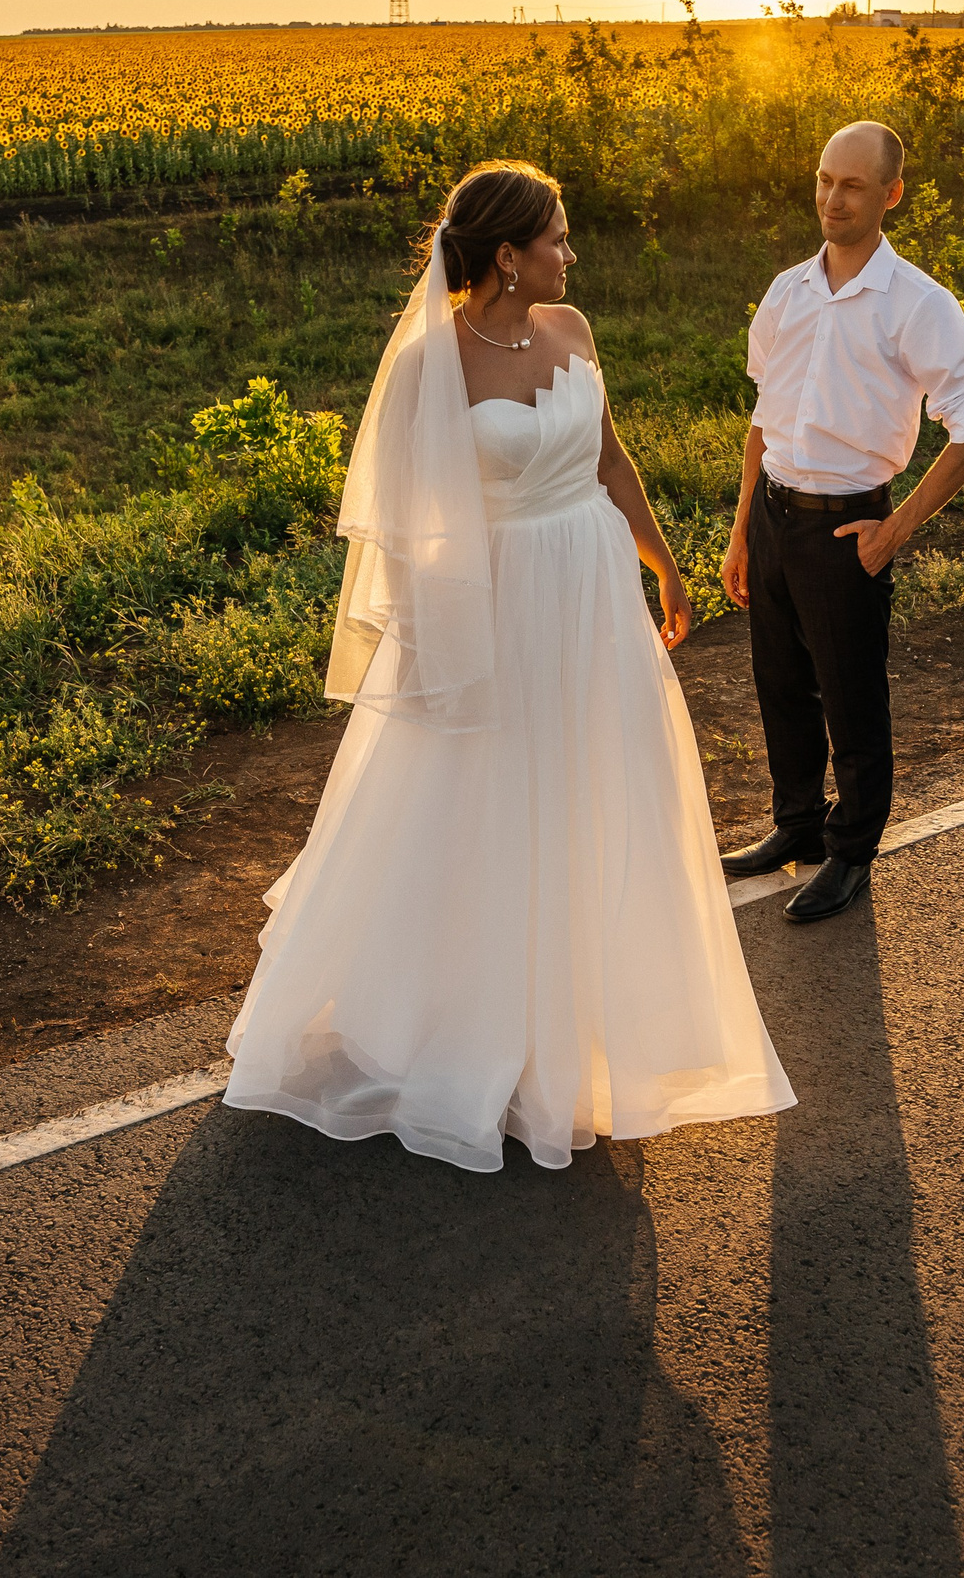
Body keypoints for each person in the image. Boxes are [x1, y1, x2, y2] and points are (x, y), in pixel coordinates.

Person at [224, 161, 796, 1172]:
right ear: (505, 255)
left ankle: (571, 1022)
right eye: (557, 240)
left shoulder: (570, 330)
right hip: (497, 606)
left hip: (587, 590)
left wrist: (660, 563)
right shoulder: (429, 363)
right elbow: (404, 521)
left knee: (588, 791)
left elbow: (609, 459)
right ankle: (452, 1023)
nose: (570, 256)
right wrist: (432, 642)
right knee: (478, 800)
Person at [718, 121, 964, 923]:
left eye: (851, 185)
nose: (831, 199)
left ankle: (849, 853)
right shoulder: (787, 290)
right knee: (781, 686)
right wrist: (743, 530)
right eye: (823, 180)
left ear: (890, 194)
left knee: (851, 699)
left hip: (849, 531)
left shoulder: (917, 304)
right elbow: (762, 420)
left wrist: (893, 529)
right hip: (775, 515)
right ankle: (796, 824)